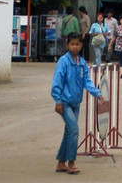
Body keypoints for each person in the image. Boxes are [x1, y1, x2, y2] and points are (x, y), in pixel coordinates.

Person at [51, 34, 102, 175]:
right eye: (72, 44)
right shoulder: (63, 62)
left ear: (81, 45)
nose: (75, 47)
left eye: (77, 44)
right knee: (74, 130)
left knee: (69, 131)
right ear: (67, 45)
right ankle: (71, 161)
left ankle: (61, 162)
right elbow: (57, 82)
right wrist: (58, 101)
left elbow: (86, 80)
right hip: (65, 102)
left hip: (76, 103)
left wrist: (97, 93)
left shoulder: (82, 62)